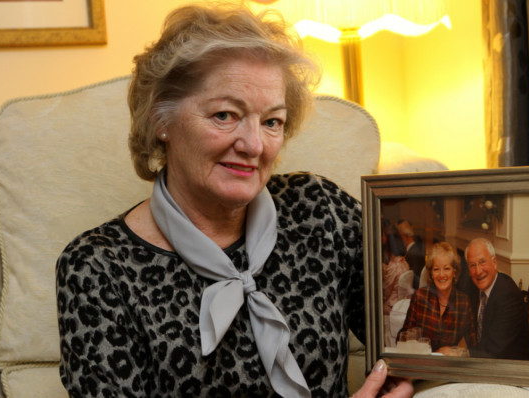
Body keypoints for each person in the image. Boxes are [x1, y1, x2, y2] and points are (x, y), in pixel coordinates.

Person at [55, 3, 413, 397]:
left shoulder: (320, 209)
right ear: (161, 120)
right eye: (225, 115)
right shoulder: (97, 267)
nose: (254, 145)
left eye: (272, 121)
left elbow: (417, 328)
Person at [459, 238, 529, 360]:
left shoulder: (508, 295)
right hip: (492, 364)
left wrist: (460, 353)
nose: (478, 271)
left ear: (494, 262)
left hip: (519, 368)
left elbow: (492, 351)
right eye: (472, 265)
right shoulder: (473, 287)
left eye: (482, 262)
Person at [397, 242, 476, 352]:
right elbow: (402, 338)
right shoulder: (420, 297)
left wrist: (457, 352)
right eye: (436, 269)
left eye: (447, 268)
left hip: (448, 365)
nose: (441, 275)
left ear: (454, 272)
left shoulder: (463, 302)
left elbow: (473, 344)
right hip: (422, 362)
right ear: (431, 273)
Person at [394, 220, 425, 288]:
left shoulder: (413, 252)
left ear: (405, 236)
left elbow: (413, 276)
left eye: (401, 237)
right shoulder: (413, 249)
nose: (400, 240)